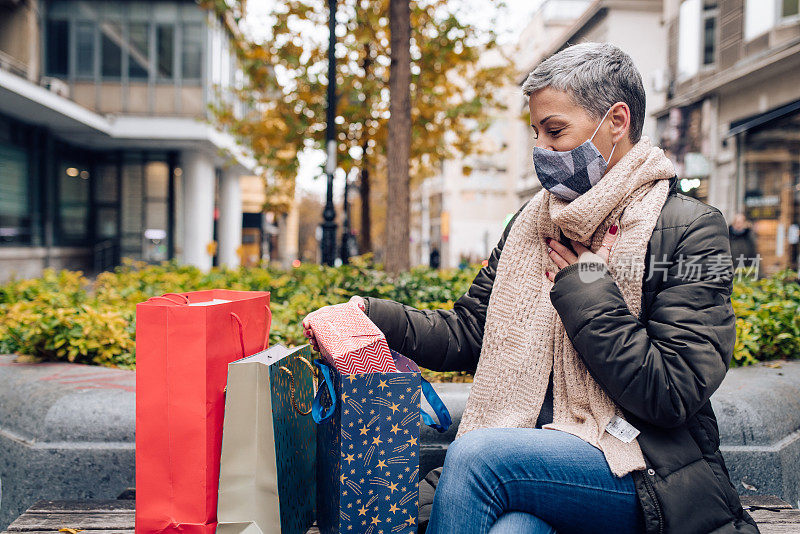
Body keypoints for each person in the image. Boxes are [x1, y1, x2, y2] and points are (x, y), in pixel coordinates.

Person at [303, 43, 758, 534]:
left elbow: (673, 391)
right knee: (513, 530)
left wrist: (586, 289)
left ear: (617, 121)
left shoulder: (688, 229)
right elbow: (469, 332)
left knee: (480, 457)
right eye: (536, 132)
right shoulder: (532, 224)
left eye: (555, 130)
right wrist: (374, 316)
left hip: (642, 466)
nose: (541, 148)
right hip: (538, 459)